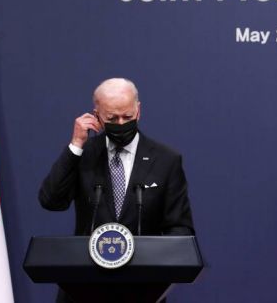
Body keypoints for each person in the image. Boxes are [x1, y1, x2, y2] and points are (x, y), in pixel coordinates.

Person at [39, 78, 195, 236]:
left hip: (146, 252)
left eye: (127, 117)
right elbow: (51, 201)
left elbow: (180, 227)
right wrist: (76, 144)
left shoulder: (166, 160)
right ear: (97, 116)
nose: (121, 124)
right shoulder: (85, 154)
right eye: (112, 118)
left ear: (138, 111)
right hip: (90, 252)